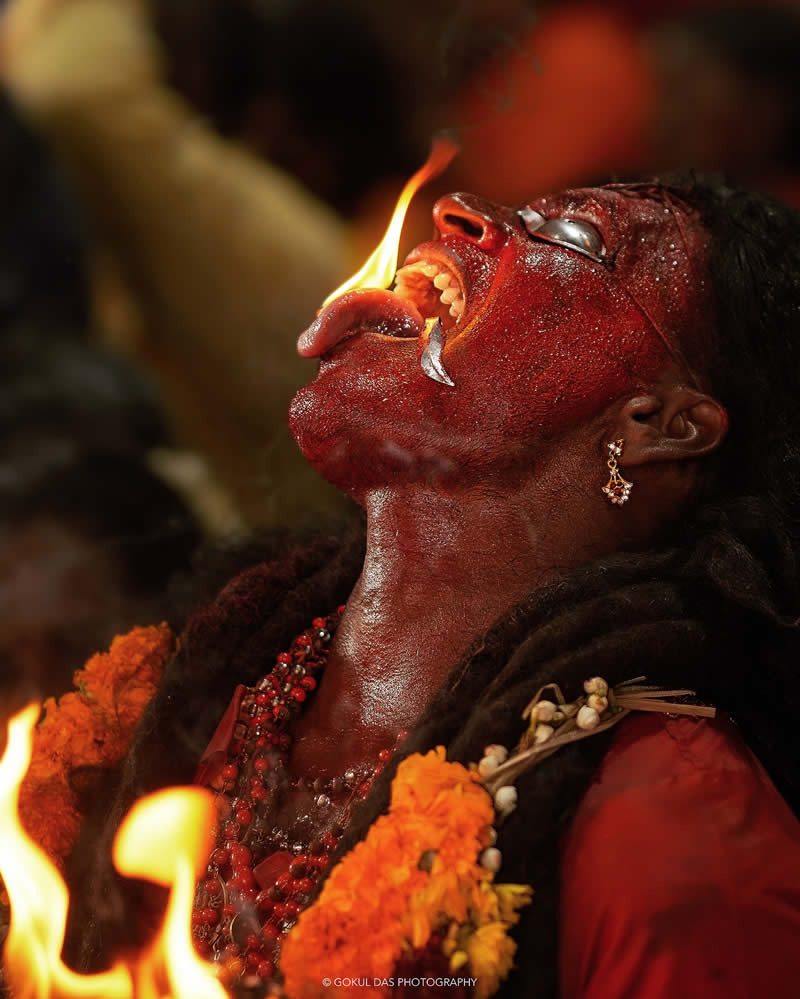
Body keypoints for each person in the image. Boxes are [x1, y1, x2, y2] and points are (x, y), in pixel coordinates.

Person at [72, 176, 800, 997]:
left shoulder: (672, 835)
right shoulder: (197, 693)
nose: (462, 212)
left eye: (570, 238)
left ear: (657, 427)